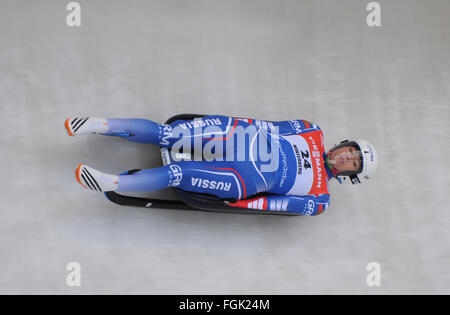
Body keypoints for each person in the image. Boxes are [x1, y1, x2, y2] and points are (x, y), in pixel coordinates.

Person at [64, 115, 378, 215]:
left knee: (178, 174)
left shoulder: (320, 199)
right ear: (343, 144)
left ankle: (112, 183)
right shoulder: (311, 130)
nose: (347, 157)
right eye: (351, 150)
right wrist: (231, 124)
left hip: (243, 180)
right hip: (241, 138)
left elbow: (276, 206)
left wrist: (235, 202)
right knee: (169, 134)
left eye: (353, 163)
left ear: (350, 175)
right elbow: (266, 125)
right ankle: (100, 124)